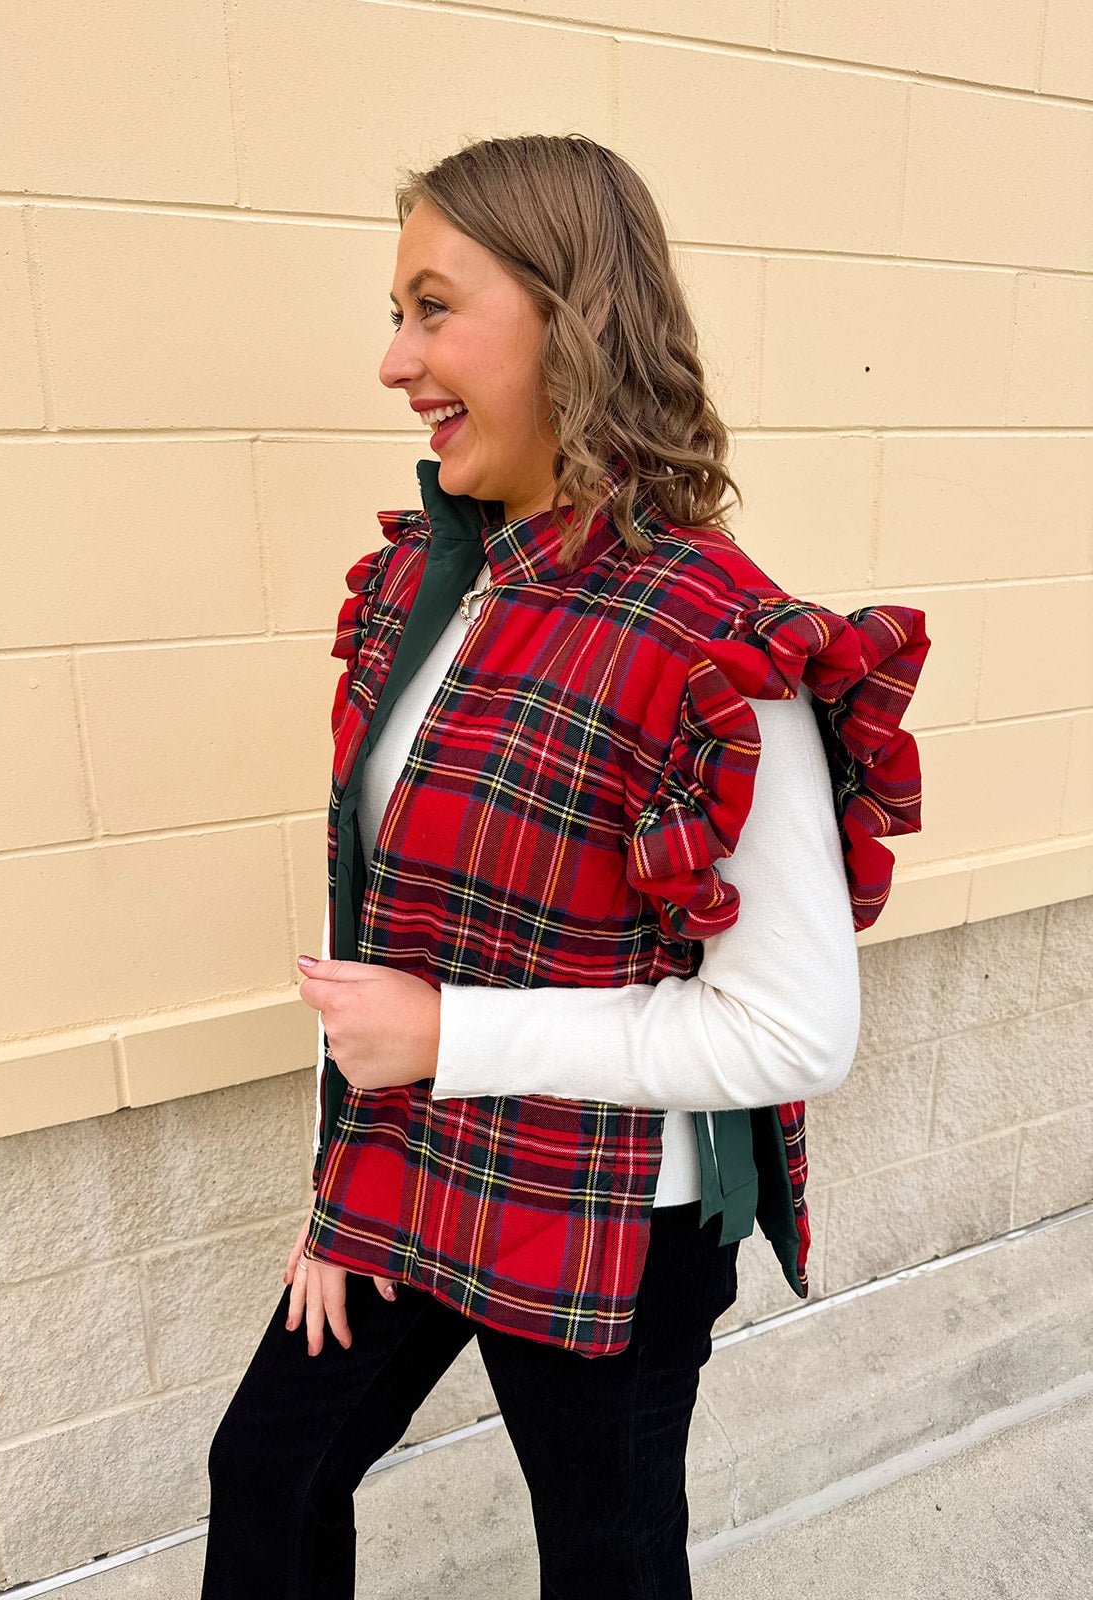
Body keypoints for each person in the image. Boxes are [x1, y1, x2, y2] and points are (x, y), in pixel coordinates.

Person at [200, 133, 930, 1599]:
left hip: (612, 1205)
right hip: (414, 1161)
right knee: (268, 1470)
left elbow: (795, 1029)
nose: (395, 362)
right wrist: (336, 1191)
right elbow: (386, 924)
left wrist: (451, 1035)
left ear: (568, 312)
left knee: (603, 1559)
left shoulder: (706, 636)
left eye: (430, 307)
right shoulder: (430, 582)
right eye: (393, 316)